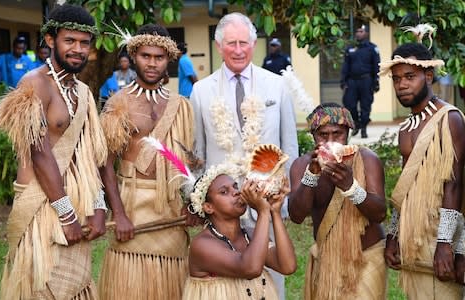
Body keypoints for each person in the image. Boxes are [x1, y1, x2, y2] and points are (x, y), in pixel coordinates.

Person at [0, 4, 108, 299]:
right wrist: (66, 215)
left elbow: (91, 153)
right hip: (42, 206)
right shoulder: (34, 84)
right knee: (41, 288)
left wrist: (99, 205)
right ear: (50, 40)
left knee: (74, 285)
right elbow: (39, 153)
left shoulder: (82, 92)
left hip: (77, 202)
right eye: (69, 41)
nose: (78, 49)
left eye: (84, 43)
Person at [190, 12, 298, 299]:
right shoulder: (201, 91)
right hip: (224, 210)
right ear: (218, 47)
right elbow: (197, 155)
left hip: (267, 201)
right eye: (231, 43)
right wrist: (199, 203)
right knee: (228, 282)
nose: (238, 50)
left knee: (274, 276)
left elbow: (290, 147)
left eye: (244, 43)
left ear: (254, 44)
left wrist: (282, 201)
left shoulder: (277, 85)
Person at [98, 23, 195, 300]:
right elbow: (105, 164)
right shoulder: (119, 103)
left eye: (159, 57)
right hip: (132, 204)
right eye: (145, 56)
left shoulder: (181, 106)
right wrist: (118, 214)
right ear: (134, 56)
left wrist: (193, 203)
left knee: (172, 285)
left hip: (170, 209)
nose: (152, 64)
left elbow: (186, 163)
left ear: (169, 60)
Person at [380, 42, 465, 299]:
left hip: (444, 237)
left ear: (428, 76)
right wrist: (394, 235)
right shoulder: (405, 128)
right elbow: (406, 186)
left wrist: (447, 245)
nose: (402, 85)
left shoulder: (450, 118)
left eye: (409, 77)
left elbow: (455, 184)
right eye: (396, 79)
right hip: (414, 237)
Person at [288, 103, 387, 299]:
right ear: (313, 135)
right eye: (323, 135)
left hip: (366, 258)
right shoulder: (302, 165)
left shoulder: (367, 159)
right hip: (326, 260)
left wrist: (351, 187)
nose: (331, 140)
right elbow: (297, 215)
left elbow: (379, 213)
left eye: (337, 134)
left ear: (348, 132)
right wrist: (312, 173)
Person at [183, 163, 296, 299]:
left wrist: (275, 211)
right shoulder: (202, 245)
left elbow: (287, 266)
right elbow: (250, 268)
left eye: (235, 187)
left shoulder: (251, 234)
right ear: (208, 207)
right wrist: (263, 212)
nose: (236, 192)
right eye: (224, 192)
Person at [340, 24, 380, 138]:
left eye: (361, 31)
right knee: (349, 104)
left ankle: (363, 128)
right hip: (352, 81)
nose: (358, 33)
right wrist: (343, 81)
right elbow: (345, 65)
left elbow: (376, 66)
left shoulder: (372, 48)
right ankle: (357, 123)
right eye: (357, 31)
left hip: (366, 80)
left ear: (366, 33)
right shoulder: (350, 48)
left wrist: (376, 81)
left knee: (365, 106)